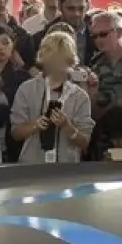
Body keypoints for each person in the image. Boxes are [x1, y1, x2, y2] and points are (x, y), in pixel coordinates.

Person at [11, 30, 95, 165]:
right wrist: (35, 125)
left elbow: (85, 142)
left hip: (66, 171)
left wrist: (67, 127)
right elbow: (15, 133)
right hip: (32, 168)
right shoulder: (26, 89)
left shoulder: (79, 96)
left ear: (70, 62)